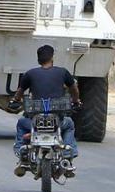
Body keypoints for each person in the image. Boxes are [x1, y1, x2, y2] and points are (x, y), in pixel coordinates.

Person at [9, 45, 81, 177]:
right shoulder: (63, 72)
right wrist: (76, 101)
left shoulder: (30, 74)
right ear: (52, 57)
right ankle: (67, 154)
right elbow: (74, 89)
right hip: (57, 121)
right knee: (69, 124)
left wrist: (15, 101)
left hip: (35, 122)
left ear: (38, 59)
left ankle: (22, 153)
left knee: (21, 123)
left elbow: (19, 92)